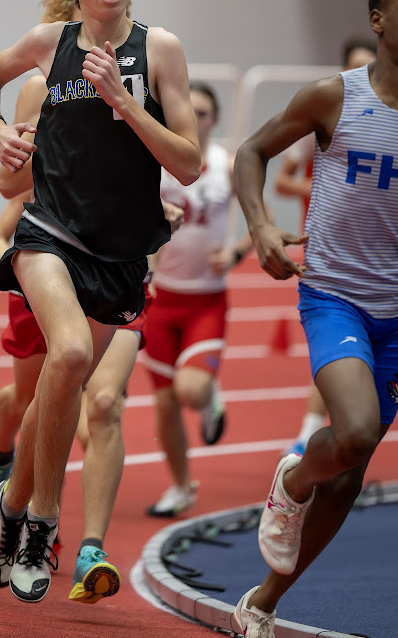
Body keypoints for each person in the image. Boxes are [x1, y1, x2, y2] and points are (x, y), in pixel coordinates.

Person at [0, 0, 201, 603]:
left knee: (62, 387)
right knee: (69, 355)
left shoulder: (161, 51)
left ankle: (12, 508)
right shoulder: (51, 45)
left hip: (121, 254)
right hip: (50, 233)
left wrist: (126, 104)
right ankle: (43, 524)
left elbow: (188, 164)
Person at [231, 0, 398, 637]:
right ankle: (295, 480)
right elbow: (251, 152)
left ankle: (262, 602)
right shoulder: (335, 97)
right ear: (378, 20)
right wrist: (261, 226)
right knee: (352, 434)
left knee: (351, 474)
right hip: (337, 296)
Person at [142, 82, 254, 518]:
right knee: (165, 402)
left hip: (206, 300)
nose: (195, 118)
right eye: (189, 110)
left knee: (189, 391)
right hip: (161, 298)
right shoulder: (157, 161)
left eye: (203, 112)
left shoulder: (227, 165)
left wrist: (235, 254)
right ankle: (180, 486)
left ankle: (208, 395)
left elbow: (259, 219)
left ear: (215, 119)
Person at [274, 35, 377, 457]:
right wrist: (329, 187)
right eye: (354, 65)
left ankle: (335, 439)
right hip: (327, 252)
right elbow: (282, 182)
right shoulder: (325, 114)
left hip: (379, 255)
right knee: (338, 351)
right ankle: (308, 435)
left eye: (368, 65)